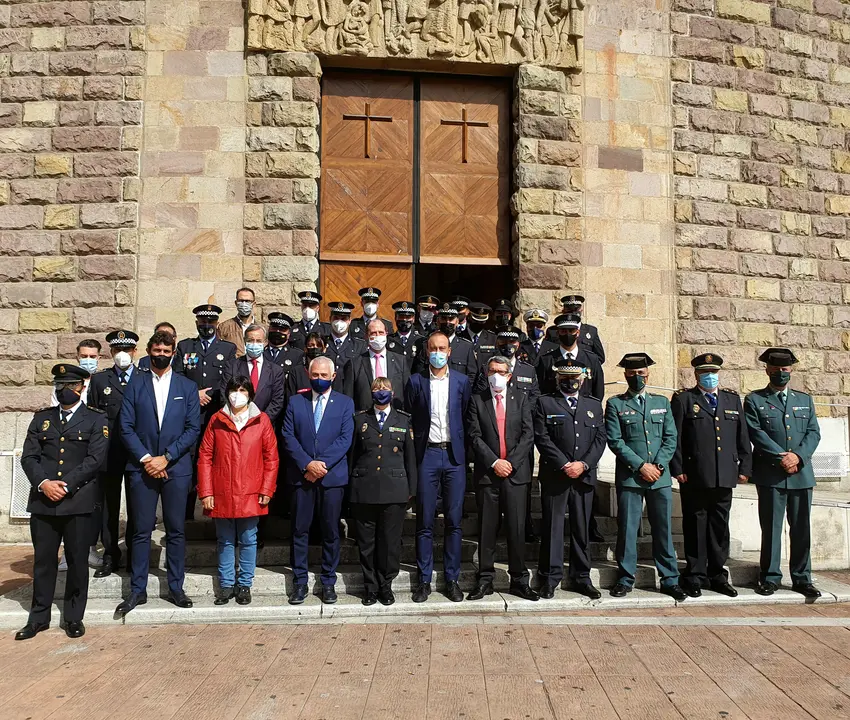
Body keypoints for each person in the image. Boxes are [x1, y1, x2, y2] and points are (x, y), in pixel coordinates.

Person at [16, 364, 109, 641]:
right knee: (43, 562)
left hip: (77, 501)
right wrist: (44, 484)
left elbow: (94, 459)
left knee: (77, 562)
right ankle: (38, 617)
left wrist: (65, 485)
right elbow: (29, 457)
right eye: (60, 385)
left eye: (70, 385)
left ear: (82, 387)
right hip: (44, 502)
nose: (64, 390)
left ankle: (73, 617)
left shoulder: (96, 419)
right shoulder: (42, 418)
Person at [116, 331, 201, 616]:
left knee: (176, 530)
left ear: (173, 352)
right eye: (157, 349)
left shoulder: (187, 386)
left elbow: (192, 429)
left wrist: (166, 458)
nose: (161, 354)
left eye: (166, 350)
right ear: (149, 351)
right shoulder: (135, 384)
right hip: (141, 468)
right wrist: (147, 458)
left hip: (175, 468)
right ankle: (137, 590)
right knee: (140, 531)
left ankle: (176, 587)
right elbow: (125, 426)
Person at [604, 353, 686, 601]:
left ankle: (670, 579)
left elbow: (670, 437)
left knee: (663, 529)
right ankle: (626, 578)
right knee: (628, 529)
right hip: (631, 477)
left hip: (659, 477)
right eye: (632, 373)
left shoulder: (661, 402)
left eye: (641, 373)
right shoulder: (616, 404)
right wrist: (641, 466)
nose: (637, 377)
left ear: (648, 374)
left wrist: (659, 465)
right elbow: (615, 441)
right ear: (625, 375)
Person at [671, 353, 751, 598]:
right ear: (696, 375)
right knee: (695, 525)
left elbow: (742, 436)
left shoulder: (731, 399)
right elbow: (675, 437)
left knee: (719, 528)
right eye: (704, 373)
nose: (709, 377)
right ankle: (694, 575)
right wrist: (678, 468)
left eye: (713, 373)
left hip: (724, 475)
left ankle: (717, 575)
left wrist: (745, 468)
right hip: (694, 475)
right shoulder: (684, 399)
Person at [744, 347, 822, 598]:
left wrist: (798, 457)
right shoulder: (755, 400)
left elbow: (813, 433)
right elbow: (756, 433)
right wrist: (782, 457)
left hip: (800, 473)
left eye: (785, 369)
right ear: (767, 370)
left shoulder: (804, 399)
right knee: (772, 528)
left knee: (801, 529)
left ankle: (802, 577)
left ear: (791, 370)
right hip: (771, 474)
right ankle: (769, 577)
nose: (781, 373)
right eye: (776, 369)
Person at [197, 375, 279, 606]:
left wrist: (267, 489)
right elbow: (204, 458)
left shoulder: (261, 421)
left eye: (243, 390)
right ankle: (226, 585)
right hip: (222, 489)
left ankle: (244, 584)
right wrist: (206, 492)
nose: (238, 394)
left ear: (250, 394)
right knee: (224, 540)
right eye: (234, 389)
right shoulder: (216, 420)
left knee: (248, 539)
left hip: (252, 490)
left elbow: (271, 459)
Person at [281, 355, 354, 605]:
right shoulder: (295, 402)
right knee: (299, 530)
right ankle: (300, 582)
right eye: (315, 375)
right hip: (302, 477)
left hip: (331, 478)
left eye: (324, 375)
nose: (319, 379)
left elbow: (345, 439)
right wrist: (307, 464)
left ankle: (328, 581)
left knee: (331, 531)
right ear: (307, 374)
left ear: (333, 377)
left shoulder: (345, 404)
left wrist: (321, 465)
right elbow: (288, 435)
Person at [404, 332, 471, 603]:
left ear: (450, 351)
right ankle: (423, 579)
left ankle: (452, 579)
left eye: (442, 348)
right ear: (426, 351)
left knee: (454, 522)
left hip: (453, 457)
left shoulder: (462, 382)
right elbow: (410, 415)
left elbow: (466, 415)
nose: (437, 352)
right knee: (425, 522)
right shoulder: (416, 381)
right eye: (433, 348)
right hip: (427, 456)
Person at [466, 356, 538, 601]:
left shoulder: (523, 399)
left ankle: (519, 580)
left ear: (509, 375)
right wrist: (495, 462)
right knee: (487, 530)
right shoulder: (477, 400)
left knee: (517, 529)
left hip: (516, 475)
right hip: (489, 475)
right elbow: (474, 436)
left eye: (501, 371)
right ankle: (485, 579)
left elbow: (529, 435)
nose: (496, 375)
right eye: (492, 371)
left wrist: (510, 463)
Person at [534, 360, 607, 599]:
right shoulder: (545, 402)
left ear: (583, 379)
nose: (569, 381)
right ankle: (550, 577)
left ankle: (581, 577)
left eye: (574, 377)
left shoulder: (594, 405)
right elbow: (542, 438)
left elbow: (599, 439)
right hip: (556, 475)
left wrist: (583, 464)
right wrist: (565, 464)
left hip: (583, 477)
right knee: (553, 529)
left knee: (581, 529)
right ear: (557, 379)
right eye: (564, 377)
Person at [349, 377, 417, 606]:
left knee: (389, 543)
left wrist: (411, 489)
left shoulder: (403, 420)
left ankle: (386, 586)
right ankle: (370, 587)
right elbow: (352, 456)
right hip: (364, 489)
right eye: (376, 388)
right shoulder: (360, 419)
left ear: (393, 392)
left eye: (385, 388)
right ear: (370, 392)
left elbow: (410, 458)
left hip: (394, 490)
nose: (381, 392)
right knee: (366, 542)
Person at [176, 303, 237, 519]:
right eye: (203, 322)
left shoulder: (227, 349)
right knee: (190, 461)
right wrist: (195, 394)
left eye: (211, 321)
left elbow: (229, 379)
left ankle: (217, 511)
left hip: (215, 413)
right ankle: (186, 514)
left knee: (217, 460)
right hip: (191, 414)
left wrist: (208, 394)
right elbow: (178, 377)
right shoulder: (185, 347)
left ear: (217, 323)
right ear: (196, 323)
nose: (207, 325)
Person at [87, 329, 139, 578]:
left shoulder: (144, 377)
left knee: (137, 505)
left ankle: (133, 554)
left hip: (136, 453)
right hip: (108, 453)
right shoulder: (100, 381)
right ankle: (110, 555)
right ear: (111, 352)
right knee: (109, 506)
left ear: (134, 352)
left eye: (126, 350)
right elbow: (94, 418)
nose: (122, 355)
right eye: (117, 350)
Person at [220, 324, 286, 425]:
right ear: (244, 341)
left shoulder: (275, 370)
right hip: (236, 423)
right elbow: (224, 395)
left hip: (263, 425)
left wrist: (262, 421)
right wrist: (236, 419)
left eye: (259, 341)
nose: (254, 344)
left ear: (265, 342)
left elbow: (277, 401)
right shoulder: (232, 366)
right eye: (250, 340)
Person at [536, 313, 604, 399]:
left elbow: (598, 391)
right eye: (563, 331)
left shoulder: (591, 359)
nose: (567, 334)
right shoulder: (546, 360)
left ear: (578, 332)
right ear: (558, 333)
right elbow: (541, 390)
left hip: (584, 409)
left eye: (571, 331)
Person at [351, 318, 410, 412]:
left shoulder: (400, 361)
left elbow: (408, 393)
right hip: (366, 418)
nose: (378, 336)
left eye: (381, 332)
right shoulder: (355, 363)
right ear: (367, 336)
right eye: (373, 333)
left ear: (386, 333)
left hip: (395, 417)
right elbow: (349, 396)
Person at [413, 303, 477, 385]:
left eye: (451, 319)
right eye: (444, 318)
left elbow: (471, 375)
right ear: (438, 321)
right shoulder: (427, 344)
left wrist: (461, 392)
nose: (447, 322)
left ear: (457, 321)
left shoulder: (466, 347)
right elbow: (420, 372)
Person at [545, 294, 605, 362]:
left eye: (576, 309)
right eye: (569, 310)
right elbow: (546, 354)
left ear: (581, 309)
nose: (573, 312)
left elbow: (600, 358)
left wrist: (588, 368)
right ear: (563, 310)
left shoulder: (591, 331)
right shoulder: (552, 331)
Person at [285, 332, 347, 399]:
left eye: (319, 345)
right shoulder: (296, 372)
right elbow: (291, 399)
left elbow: (338, 397)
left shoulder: (331, 371)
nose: (315, 348)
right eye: (311, 345)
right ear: (305, 349)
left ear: (325, 349)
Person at [52, 339, 100, 407]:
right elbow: (55, 406)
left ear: (98, 358)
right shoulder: (64, 381)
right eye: (84, 356)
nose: (88, 360)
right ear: (77, 358)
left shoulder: (103, 381)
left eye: (92, 357)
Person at [264, 312, 304, 387]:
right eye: (274, 328)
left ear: (288, 334)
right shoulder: (260, 353)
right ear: (269, 329)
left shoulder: (297, 355)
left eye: (282, 329)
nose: (277, 332)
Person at [216, 287, 257, 357]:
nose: (244, 304)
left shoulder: (262, 328)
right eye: (241, 301)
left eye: (247, 301)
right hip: (234, 366)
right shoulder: (224, 327)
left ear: (254, 303)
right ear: (236, 303)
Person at [326, 300, 367, 371]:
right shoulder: (322, 342)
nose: (339, 322)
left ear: (350, 321)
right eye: (336, 318)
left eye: (343, 319)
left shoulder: (359, 345)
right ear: (330, 319)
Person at [387, 300, 424, 367]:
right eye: (401, 316)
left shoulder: (420, 340)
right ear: (395, 318)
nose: (404, 320)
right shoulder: (388, 340)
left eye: (408, 317)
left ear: (413, 319)